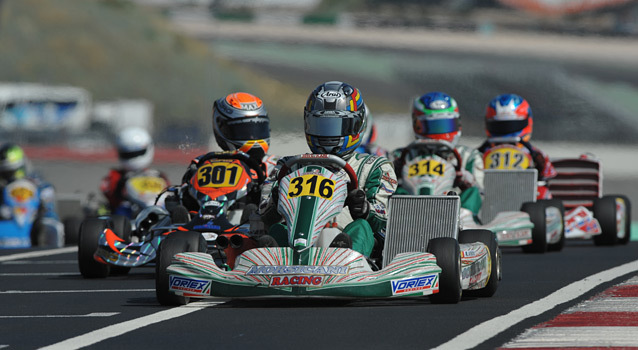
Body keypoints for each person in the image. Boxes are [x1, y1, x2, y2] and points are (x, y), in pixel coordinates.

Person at [261, 81, 398, 257]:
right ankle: (271, 264)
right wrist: (274, 200)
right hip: (296, 242)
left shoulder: (374, 167)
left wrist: (364, 208)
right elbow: (263, 213)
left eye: (337, 126)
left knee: (361, 227)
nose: (328, 134)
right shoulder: (289, 166)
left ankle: (342, 257)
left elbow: (384, 217)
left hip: (348, 247)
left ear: (357, 124)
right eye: (321, 126)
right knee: (276, 229)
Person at [176, 92, 277, 219]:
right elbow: (184, 195)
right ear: (222, 128)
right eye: (244, 130)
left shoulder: (274, 166)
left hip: (256, 227)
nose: (254, 139)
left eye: (258, 129)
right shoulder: (202, 163)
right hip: (203, 226)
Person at [392, 92, 483, 216]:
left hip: (453, 212)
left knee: (473, 191)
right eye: (434, 126)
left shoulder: (468, 156)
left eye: (446, 125)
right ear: (417, 125)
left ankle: (466, 224)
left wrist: (467, 180)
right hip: (409, 211)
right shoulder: (400, 156)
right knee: (396, 190)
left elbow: (482, 195)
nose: (440, 133)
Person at [477, 93, 557, 183]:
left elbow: (548, 173)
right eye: (500, 126)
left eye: (512, 125)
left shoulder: (533, 153)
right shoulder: (480, 154)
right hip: (487, 191)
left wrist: (540, 165)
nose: (506, 131)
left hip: (525, 191)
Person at [0, 143, 64, 246]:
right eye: (6, 172)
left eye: (11, 171)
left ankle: (47, 245)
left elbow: (49, 210)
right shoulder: (3, 188)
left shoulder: (39, 186)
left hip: (33, 222)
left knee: (49, 222)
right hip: (8, 220)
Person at [100, 127, 169, 217]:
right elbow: (110, 195)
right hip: (129, 215)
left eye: (137, 153)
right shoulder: (116, 176)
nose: (133, 157)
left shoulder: (158, 176)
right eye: (129, 154)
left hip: (159, 211)